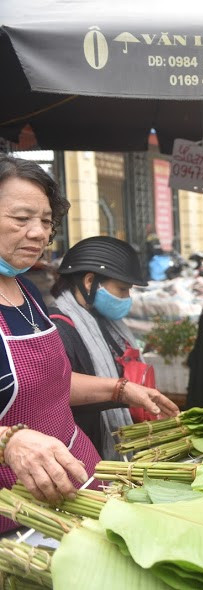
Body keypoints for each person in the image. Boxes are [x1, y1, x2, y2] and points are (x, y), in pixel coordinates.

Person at [0, 154, 179, 532]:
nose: (38, 233)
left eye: (46, 221)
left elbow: (50, 386)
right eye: (21, 219)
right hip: (18, 514)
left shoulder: (28, 291)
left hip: (79, 484)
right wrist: (9, 442)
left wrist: (121, 389)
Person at [48, 236, 154, 459]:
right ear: (89, 281)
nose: (127, 298)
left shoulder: (106, 322)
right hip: (85, 452)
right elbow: (56, 392)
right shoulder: (58, 329)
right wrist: (120, 391)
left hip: (119, 443)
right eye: (122, 289)